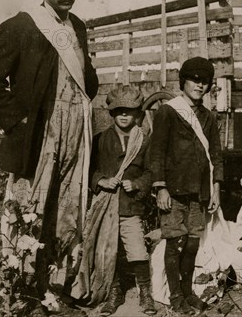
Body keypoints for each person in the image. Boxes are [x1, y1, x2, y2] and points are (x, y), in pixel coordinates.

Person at [0, 0, 98, 315]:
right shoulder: (22, 26)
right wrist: (20, 123)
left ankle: (55, 290)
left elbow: (84, 80)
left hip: (77, 134)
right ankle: (26, 294)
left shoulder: (78, 26)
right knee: (31, 213)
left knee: (68, 210)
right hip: (41, 139)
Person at [71, 86, 155, 315]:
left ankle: (145, 292)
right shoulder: (100, 140)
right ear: (111, 113)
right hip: (106, 206)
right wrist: (101, 181)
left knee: (137, 248)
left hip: (129, 206)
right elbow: (89, 170)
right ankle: (114, 292)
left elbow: (151, 172)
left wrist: (136, 184)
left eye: (129, 111)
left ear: (138, 113)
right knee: (109, 251)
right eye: (119, 111)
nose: (124, 115)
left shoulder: (144, 141)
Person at [149, 57, 223, 314]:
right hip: (173, 190)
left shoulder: (209, 117)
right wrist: (160, 187)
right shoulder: (168, 111)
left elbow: (216, 154)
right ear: (183, 81)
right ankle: (176, 296)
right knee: (175, 243)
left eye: (205, 82)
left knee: (192, 243)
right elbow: (156, 152)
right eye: (195, 80)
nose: (200, 86)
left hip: (199, 191)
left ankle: (189, 292)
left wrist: (216, 188)